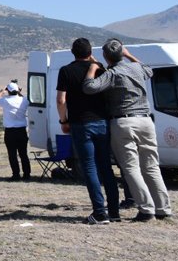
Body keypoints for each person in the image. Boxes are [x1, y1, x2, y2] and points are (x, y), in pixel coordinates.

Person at [83, 40, 173, 221]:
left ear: (107, 57)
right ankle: (163, 208)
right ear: (122, 54)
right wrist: (129, 55)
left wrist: (93, 69)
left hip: (124, 122)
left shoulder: (113, 73)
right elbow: (149, 70)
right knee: (151, 166)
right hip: (146, 121)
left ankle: (146, 209)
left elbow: (89, 88)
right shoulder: (137, 69)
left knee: (131, 167)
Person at [57, 37, 119, 224]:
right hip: (101, 121)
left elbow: (61, 100)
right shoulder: (100, 69)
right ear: (90, 52)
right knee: (106, 167)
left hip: (80, 123)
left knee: (90, 168)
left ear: (73, 52)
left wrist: (63, 120)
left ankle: (100, 212)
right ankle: (114, 211)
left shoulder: (66, 71)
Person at [0, 81, 31, 180]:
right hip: (22, 131)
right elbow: (25, 99)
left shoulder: (5, 101)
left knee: (12, 154)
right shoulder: (24, 100)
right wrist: (19, 92)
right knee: (23, 154)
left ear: (8, 91)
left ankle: (16, 174)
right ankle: (27, 174)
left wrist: (2, 92)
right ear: (18, 90)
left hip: (10, 132)